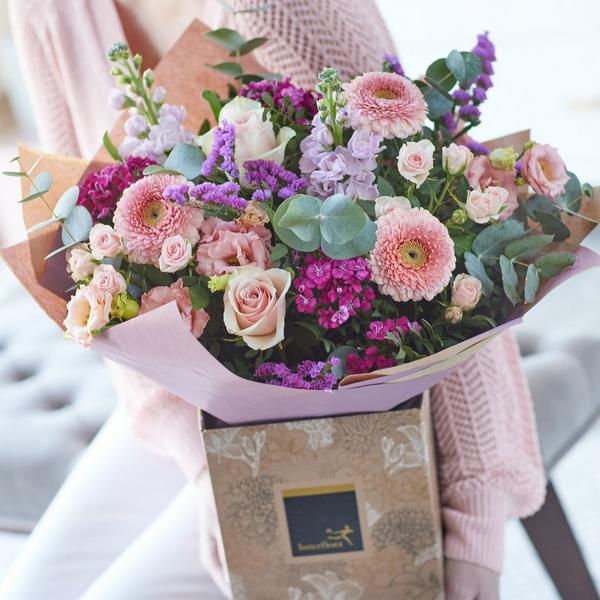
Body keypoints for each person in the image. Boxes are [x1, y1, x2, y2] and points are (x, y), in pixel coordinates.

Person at [2, 1, 547, 598]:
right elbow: (89, 264)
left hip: (373, 412)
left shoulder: (282, 9)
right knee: (34, 588)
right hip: (193, 409)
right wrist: (204, 468)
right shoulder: (43, 9)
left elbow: (442, 238)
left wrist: (475, 510)